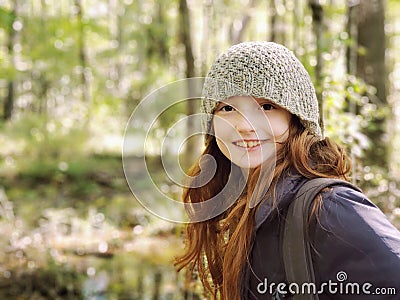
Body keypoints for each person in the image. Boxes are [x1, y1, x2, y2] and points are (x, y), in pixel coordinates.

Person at [174, 41, 400, 299]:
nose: (245, 125)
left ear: (296, 119)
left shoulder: (328, 208)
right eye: (228, 108)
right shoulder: (244, 210)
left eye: (266, 106)